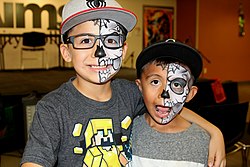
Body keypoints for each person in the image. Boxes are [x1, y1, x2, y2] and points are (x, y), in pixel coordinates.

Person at [20, 0, 226, 166]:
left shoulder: (129, 93)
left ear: (124, 50)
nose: (99, 54)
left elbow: (166, 103)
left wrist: (213, 131)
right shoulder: (53, 108)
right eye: (85, 41)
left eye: (110, 41)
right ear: (66, 51)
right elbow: (35, 160)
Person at [131, 39, 210, 166]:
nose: (164, 94)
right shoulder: (128, 131)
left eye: (177, 84)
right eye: (155, 82)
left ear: (190, 94)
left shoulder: (202, 142)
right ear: (140, 87)